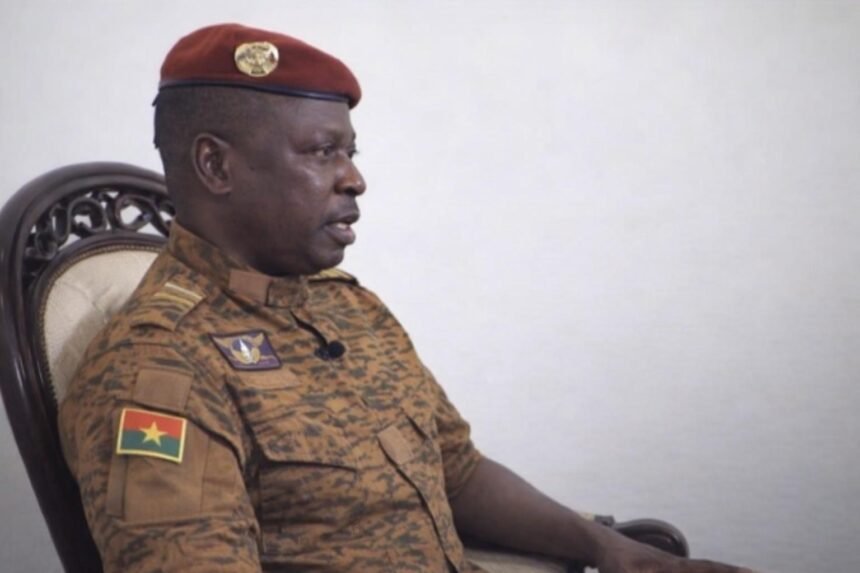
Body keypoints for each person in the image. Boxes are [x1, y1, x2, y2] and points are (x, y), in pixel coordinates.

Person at [59, 23, 755, 573]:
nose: (354, 178)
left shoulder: (346, 307)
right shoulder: (160, 369)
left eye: (351, 152)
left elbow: (459, 473)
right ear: (216, 165)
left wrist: (615, 552)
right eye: (322, 151)